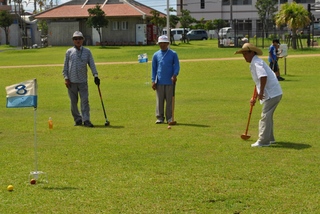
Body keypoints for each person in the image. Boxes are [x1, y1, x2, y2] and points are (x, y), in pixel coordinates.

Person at [235, 43, 283, 147]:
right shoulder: (254, 62)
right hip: (275, 93)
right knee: (268, 116)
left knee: (265, 116)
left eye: (245, 54)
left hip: (272, 93)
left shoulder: (257, 63)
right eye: (243, 54)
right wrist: (254, 96)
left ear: (252, 52)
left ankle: (263, 141)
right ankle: (270, 139)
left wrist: (261, 93)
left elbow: (263, 77)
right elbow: (258, 82)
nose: (244, 56)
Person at [62, 31, 100, 127]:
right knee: (73, 103)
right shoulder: (69, 52)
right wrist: (66, 78)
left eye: (79, 38)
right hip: (71, 82)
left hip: (83, 81)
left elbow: (92, 64)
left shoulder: (87, 51)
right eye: (75, 39)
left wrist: (95, 75)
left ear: (83, 39)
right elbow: (65, 67)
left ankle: (86, 119)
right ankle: (77, 119)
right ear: (73, 40)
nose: (77, 40)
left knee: (85, 101)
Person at [151, 35, 180, 124]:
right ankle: (160, 117)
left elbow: (177, 66)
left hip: (170, 82)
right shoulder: (156, 55)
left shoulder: (173, 54)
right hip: (159, 81)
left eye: (164, 43)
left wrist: (175, 75)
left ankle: (170, 118)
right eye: (160, 43)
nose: (162, 45)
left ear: (167, 43)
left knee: (169, 101)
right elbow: (154, 69)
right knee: (159, 101)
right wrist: (153, 80)